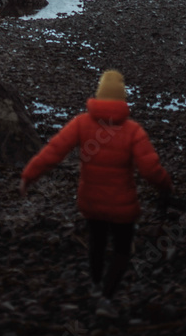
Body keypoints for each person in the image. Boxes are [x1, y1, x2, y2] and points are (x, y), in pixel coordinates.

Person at [19, 69, 172, 317]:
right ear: (122, 99)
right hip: (123, 207)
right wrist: (166, 186)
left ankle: (95, 286)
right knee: (122, 251)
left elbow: (54, 151)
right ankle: (107, 296)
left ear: (99, 96)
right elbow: (150, 169)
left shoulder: (82, 123)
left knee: (97, 244)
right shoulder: (133, 131)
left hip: (91, 202)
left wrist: (29, 175)